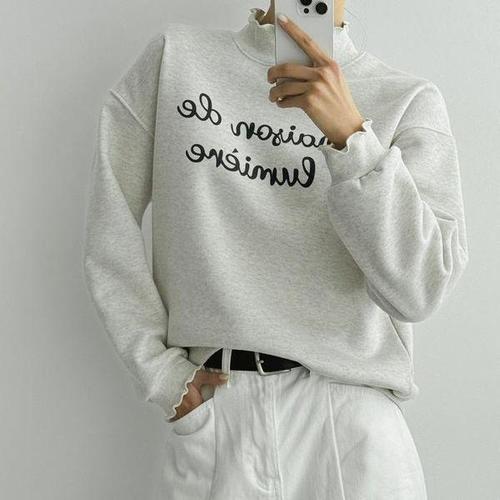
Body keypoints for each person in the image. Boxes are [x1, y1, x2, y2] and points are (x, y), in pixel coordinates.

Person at [82, 1, 469, 498]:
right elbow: (108, 227)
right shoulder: (175, 61)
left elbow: (419, 290)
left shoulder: (408, 99)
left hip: (351, 426)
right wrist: (160, 373)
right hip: (218, 417)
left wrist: (352, 140)